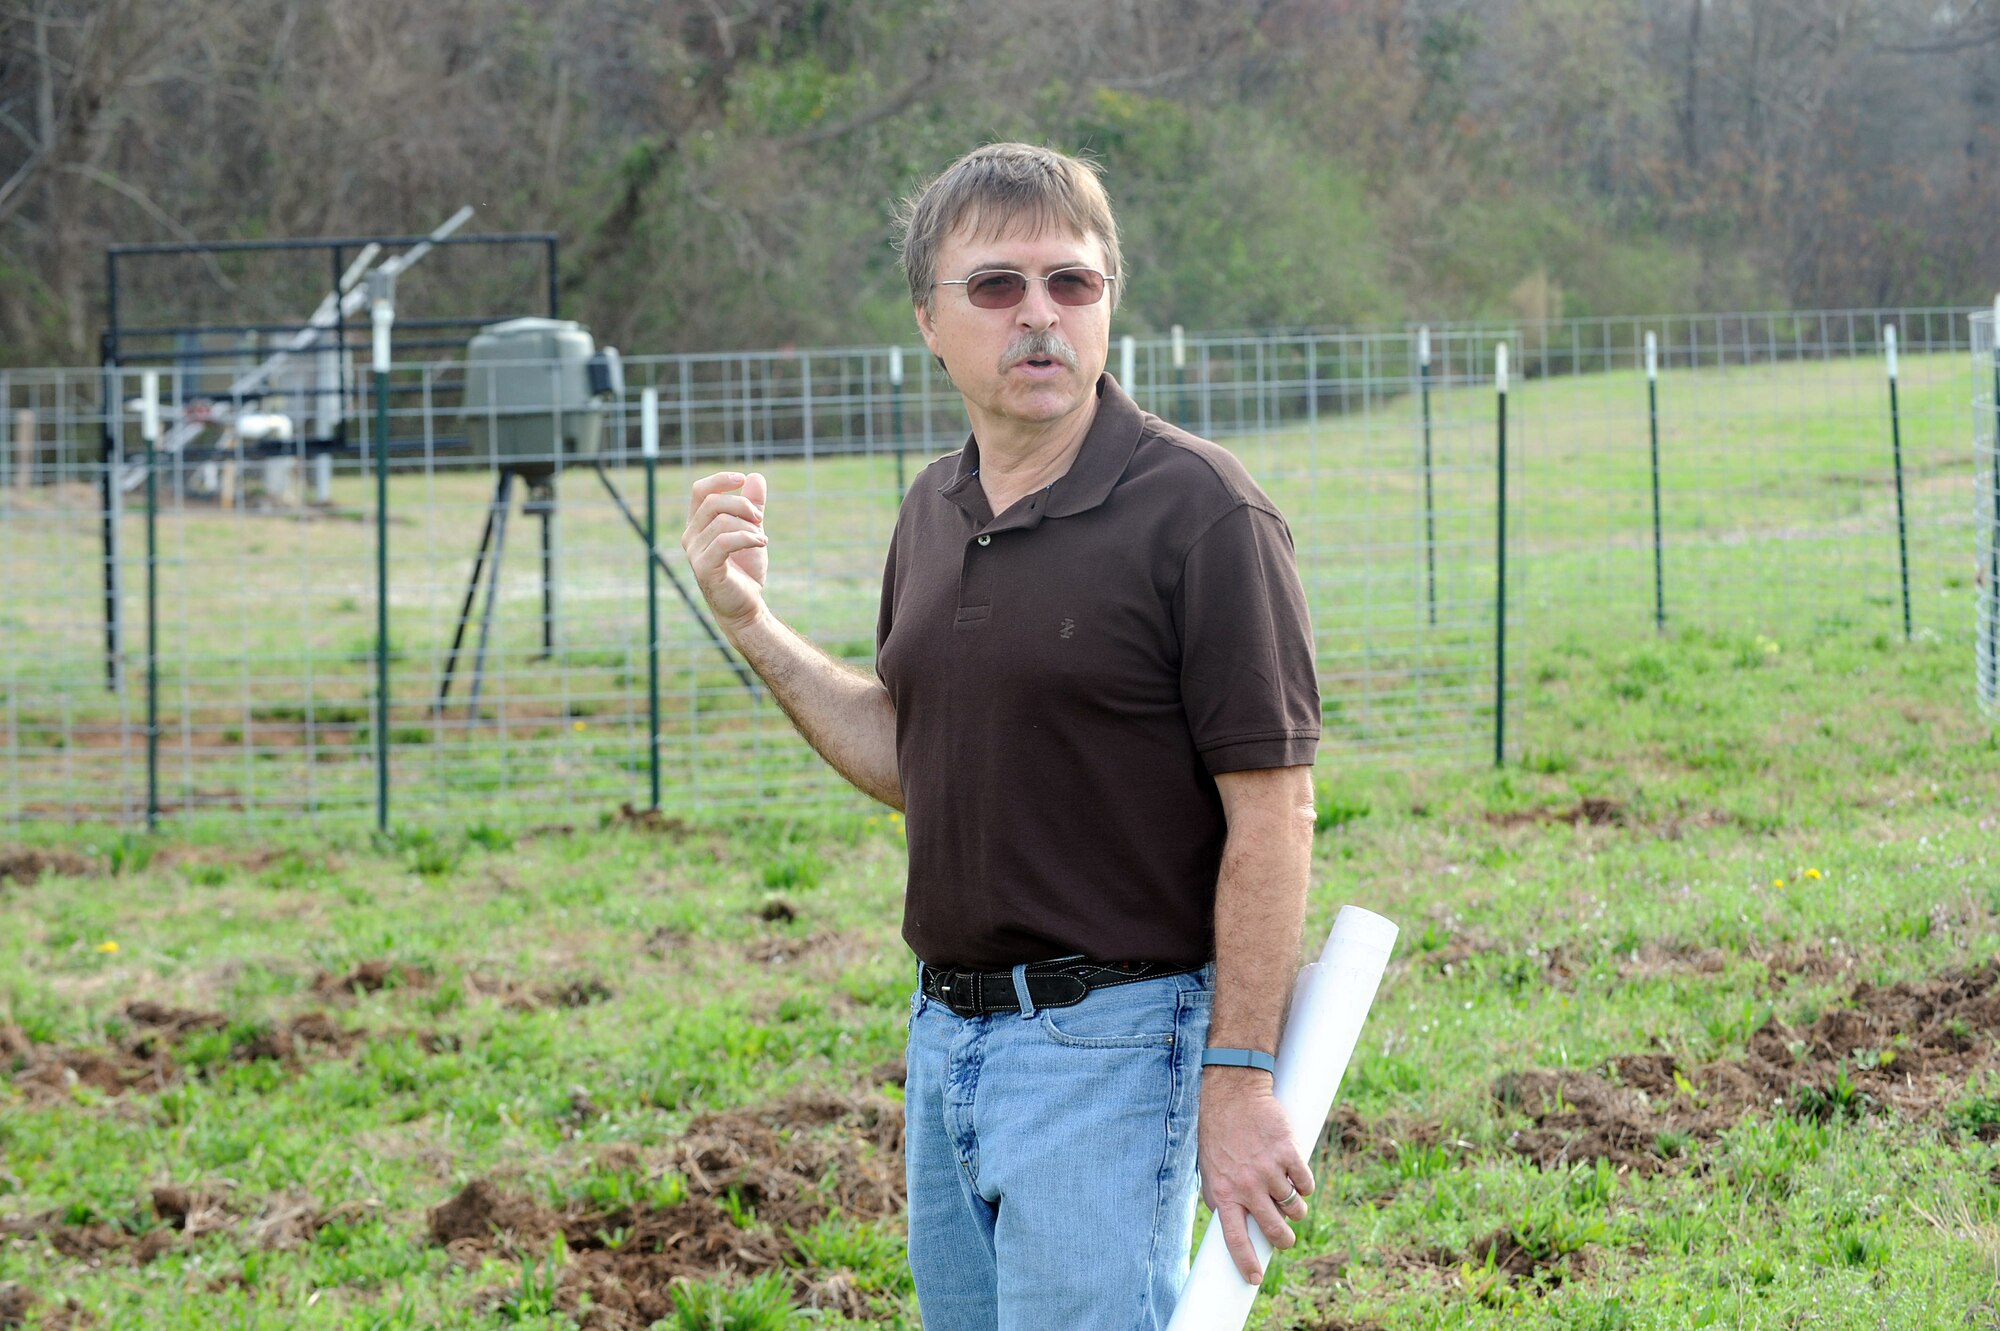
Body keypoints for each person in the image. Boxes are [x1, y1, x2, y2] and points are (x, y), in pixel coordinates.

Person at [682, 142, 1321, 1330]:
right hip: (946, 1037)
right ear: (929, 319)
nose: (1038, 315)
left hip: (1114, 1039)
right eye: (995, 286)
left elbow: (1273, 810)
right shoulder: (932, 509)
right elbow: (910, 758)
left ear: (1107, 304)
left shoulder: (1202, 511)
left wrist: (1237, 1075)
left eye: (1069, 283)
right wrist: (750, 623)